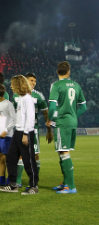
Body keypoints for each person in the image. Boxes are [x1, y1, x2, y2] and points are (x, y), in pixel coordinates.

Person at [48, 61, 86, 194]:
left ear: (57, 72)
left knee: (64, 153)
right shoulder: (76, 85)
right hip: (72, 122)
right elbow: (84, 107)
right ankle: (65, 183)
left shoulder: (56, 85)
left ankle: (71, 186)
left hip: (62, 122)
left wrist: (51, 118)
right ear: (69, 72)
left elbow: (52, 107)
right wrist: (74, 115)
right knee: (62, 151)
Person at [0, 75, 38, 195]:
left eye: (12, 84)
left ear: (18, 85)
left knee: (28, 160)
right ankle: (13, 185)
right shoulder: (21, 99)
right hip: (18, 132)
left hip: (25, 132)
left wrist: (26, 134)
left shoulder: (27, 99)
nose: (11, 86)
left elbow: (31, 118)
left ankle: (34, 186)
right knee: (10, 157)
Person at [13, 73, 53, 188]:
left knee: (35, 155)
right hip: (19, 129)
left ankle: (34, 181)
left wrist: (49, 131)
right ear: (25, 81)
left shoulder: (38, 96)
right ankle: (18, 181)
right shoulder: (16, 95)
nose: (33, 83)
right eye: (31, 80)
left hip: (33, 129)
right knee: (20, 154)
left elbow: (46, 113)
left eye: (35, 81)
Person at [0, 84, 16, 187]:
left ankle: (10, 182)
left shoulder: (8, 104)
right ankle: (2, 181)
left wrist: (6, 130)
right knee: (0, 158)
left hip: (6, 136)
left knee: (7, 159)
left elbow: (14, 119)